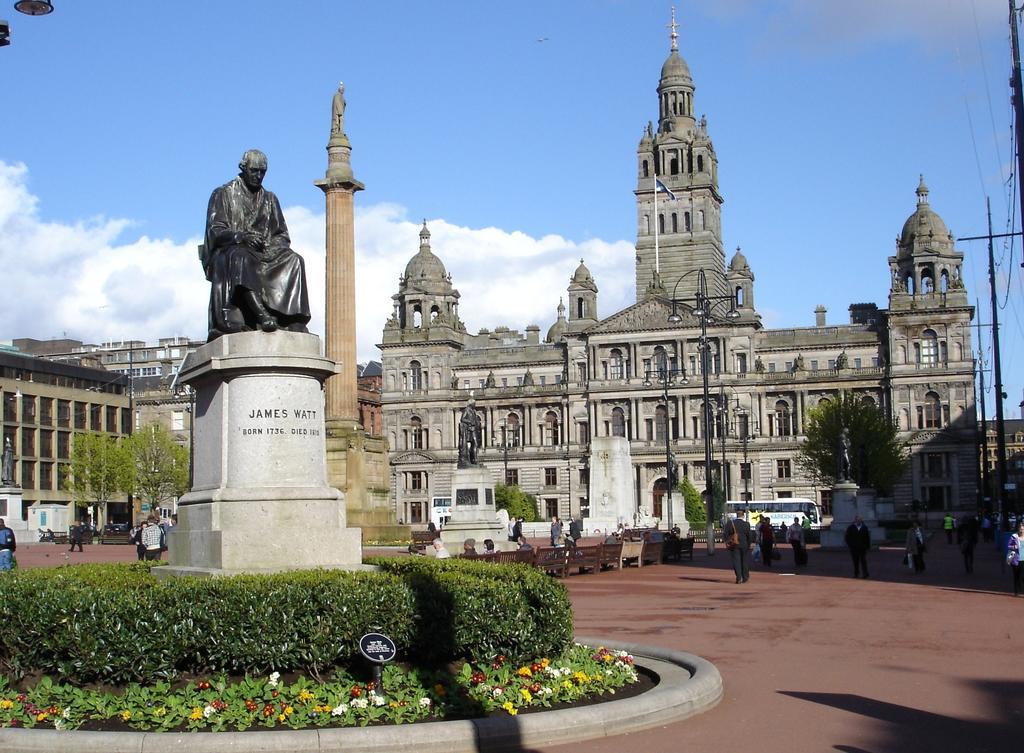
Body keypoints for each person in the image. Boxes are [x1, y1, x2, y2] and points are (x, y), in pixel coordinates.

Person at [202, 149, 311, 340]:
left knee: (294, 260)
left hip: (264, 252)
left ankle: (293, 318)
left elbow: (281, 234)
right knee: (241, 256)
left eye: (262, 172)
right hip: (232, 251)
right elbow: (215, 230)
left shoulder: (269, 199)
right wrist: (240, 236)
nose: (258, 176)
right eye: (254, 171)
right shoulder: (223, 194)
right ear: (243, 168)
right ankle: (261, 314)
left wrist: (272, 247)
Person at [723, 509, 753, 583]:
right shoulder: (746, 524)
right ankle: (745, 577)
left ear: (737, 515)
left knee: (736, 561)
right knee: (744, 561)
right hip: (744, 544)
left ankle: (739, 577)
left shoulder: (731, 523)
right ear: (743, 515)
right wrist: (748, 544)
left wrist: (728, 541)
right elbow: (749, 536)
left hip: (734, 544)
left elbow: (725, 534)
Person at [1008, 521, 1024, 596]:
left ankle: (1020, 588)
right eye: (1020, 529)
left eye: (1023, 529)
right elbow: (1009, 546)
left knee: (1022, 576)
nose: (1021, 530)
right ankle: (1016, 591)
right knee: (1016, 576)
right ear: (1018, 529)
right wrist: (1015, 547)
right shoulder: (1014, 536)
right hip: (1016, 559)